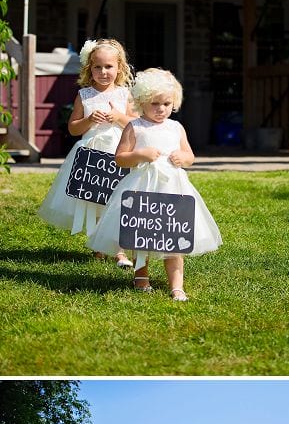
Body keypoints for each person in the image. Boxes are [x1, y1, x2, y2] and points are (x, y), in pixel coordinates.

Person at [92, 68, 220, 296]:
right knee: (143, 234)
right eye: (154, 104)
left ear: (175, 102)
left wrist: (184, 159)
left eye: (166, 104)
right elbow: (120, 158)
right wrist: (140, 155)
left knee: (173, 235)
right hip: (144, 187)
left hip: (172, 189)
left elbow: (190, 156)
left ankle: (177, 286)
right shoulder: (135, 127)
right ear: (141, 102)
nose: (161, 109)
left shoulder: (176, 127)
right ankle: (141, 278)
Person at [38, 39, 137, 258]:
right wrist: (90, 119)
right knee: (95, 199)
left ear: (119, 67)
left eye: (108, 66)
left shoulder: (124, 94)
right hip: (91, 154)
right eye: (97, 67)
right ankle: (99, 243)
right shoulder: (84, 96)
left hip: (118, 153)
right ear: (89, 69)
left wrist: (119, 117)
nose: (103, 72)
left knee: (117, 199)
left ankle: (118, 249)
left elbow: (136, 124)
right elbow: (73, 129)